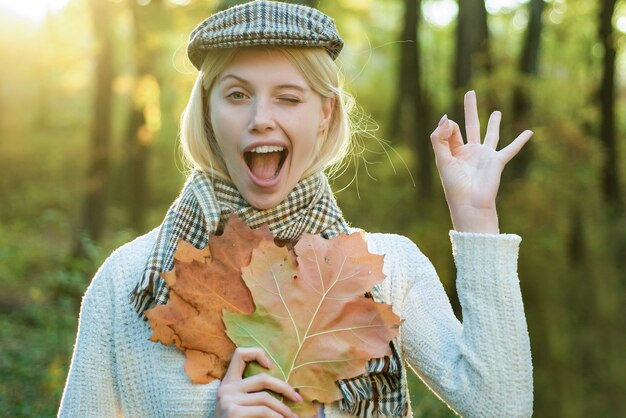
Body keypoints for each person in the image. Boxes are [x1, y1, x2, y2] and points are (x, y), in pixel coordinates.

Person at [58, 1, 534, 417]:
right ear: (207, 111)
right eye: (237, 95)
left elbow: (502, 408)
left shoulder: (385, 271)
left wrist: (476, 218)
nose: (261, 118)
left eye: (288, 98)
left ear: (324, 113)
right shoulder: (131, 282)